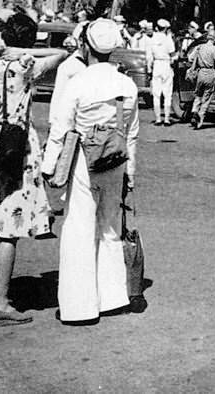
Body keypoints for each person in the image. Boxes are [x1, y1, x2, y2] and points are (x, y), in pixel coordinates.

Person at [42, 19, 143, 323]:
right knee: (110, 225)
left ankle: (79, 306)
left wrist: (49, 168)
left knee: (79, 227)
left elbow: (61, 130)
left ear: (86, 47)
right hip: (116, 160)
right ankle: (112, 297)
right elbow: (133, 133)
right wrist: (131, 171)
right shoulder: (126, 84)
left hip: (84, 161)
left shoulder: (78, 83)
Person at [0, 13, 67, 326]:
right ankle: (1, 301)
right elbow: (62, 54)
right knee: (9, 229)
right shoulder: (25, 67)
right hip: (21, 147)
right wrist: (28, 51)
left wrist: (4, 50)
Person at [145, 19, 176, 126]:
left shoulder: (151, 40)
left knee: (156, 94)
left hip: (157, 65)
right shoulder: (168, 40)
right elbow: (173, 55)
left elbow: (149, 57)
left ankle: (158, 118)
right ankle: (167, 119)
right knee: (167, 94)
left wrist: (149, 70)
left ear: (157, 28)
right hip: (166, 65)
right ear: (166, 29)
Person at [189, 29, 215, 129]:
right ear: (214, 39)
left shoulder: (200, 47)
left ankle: (194, 111)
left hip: (201, 72)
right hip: (210, 72)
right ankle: (200, 119)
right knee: (207, 97)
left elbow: (191, 58)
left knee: (198, 94)